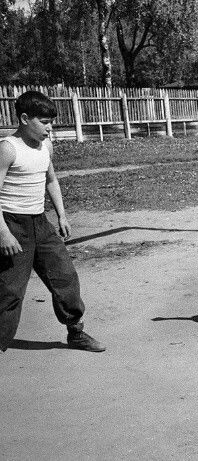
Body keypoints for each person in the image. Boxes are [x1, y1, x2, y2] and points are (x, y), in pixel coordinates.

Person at [0, 91, 105, 352]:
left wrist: (62, 215)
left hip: (41, 223)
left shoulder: (45, 146)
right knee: (10, 290)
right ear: (25, 118)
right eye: (44, 122)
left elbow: (51, 180)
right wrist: (3, 234)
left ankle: (76, 332)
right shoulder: (8, 148)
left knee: (64, 277)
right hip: (12, 225)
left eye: (51, 123)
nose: (50, 128)